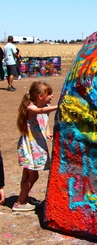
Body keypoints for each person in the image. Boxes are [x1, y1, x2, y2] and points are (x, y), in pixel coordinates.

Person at [13, 81, 58, 212]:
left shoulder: (45, 106)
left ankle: (24, 198)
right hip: (30, 146)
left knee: (26, 176)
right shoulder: (30, 107)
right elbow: (41, 111)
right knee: (33, 176)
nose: (52, 96)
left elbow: (45, 118)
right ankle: (20, 202)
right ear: (40, 96)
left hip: (36, 145)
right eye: (49, 94)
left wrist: (48, 132)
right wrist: (59, 106)